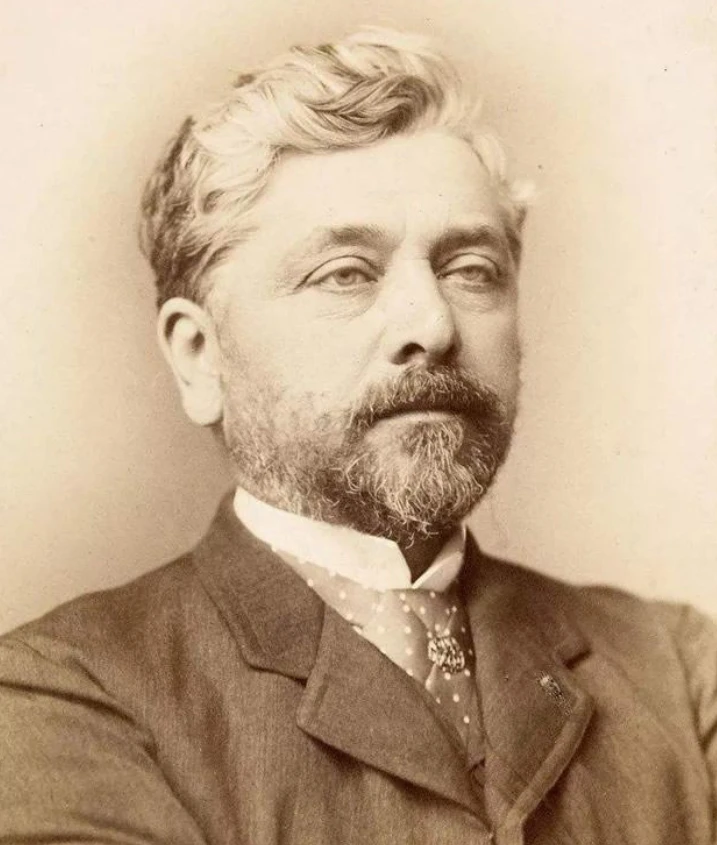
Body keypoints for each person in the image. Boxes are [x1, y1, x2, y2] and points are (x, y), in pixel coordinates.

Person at [0, 27, 715, 845]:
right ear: (200, 356)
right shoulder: (64, 697)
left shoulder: (673, 666)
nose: (432, 325)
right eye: (345, 273)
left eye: (470, 269)